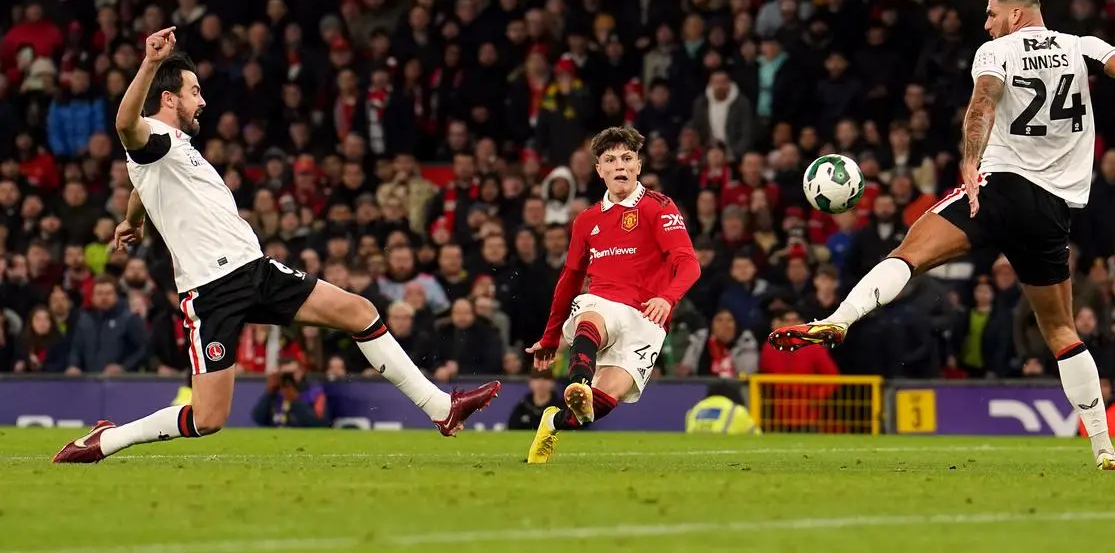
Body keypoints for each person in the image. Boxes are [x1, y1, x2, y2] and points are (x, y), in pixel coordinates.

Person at [769, 0, 1115, 471]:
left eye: (992, 13)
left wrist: (969, 161)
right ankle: (1104, 448)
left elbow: (983, 102)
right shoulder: (1082, 47)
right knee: (1062, 330)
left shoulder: (994, 52)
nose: (987, 22)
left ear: (1016, 14)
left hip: (997, 190)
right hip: (1051, 211)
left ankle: (839, 319)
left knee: (908, 254)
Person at [53, 28, 499, 463]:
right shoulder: (152, 133)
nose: (202, 100)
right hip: (212, 291)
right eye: (194, 91)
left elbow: (140, 187)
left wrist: (132, 222)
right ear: (169, 98)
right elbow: (124, 125)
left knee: (359, 311)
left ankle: (441, 408)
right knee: (209, 418)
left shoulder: (175, 150)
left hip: (255, 270)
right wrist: (151, 63)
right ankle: (109, 439)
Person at [524, 126, 700, 463]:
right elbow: (569, 280)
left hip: (648, 318)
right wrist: (549, 338)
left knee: (598, 406)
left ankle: (554, 421)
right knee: (592, 316)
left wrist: (668, 298)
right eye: (610, 159)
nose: (619, 165)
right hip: (603, 302)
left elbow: (688, 263)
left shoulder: (659, 207)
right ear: (599, 170)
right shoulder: (586, 220)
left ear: (638, 165)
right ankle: (578, 382)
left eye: (626, 158)